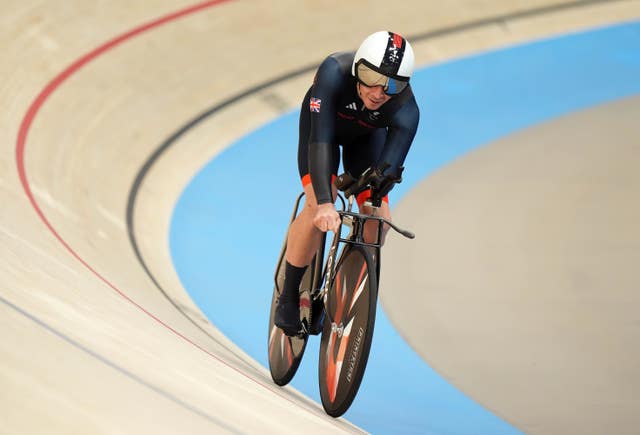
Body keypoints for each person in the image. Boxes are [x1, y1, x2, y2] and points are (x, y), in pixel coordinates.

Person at [274, 31, 420, 336]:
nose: (379, 92)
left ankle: (335, 292)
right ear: (356, 68)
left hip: (365, 142)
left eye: (392, 85)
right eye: (370, 77)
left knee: (377, 222)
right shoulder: (333, 72)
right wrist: (326, 203)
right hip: (322, 132)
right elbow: (321, 141)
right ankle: (288, 296)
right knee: (318, 206)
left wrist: (377, 193)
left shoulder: (406, 109)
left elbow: (388, 169)